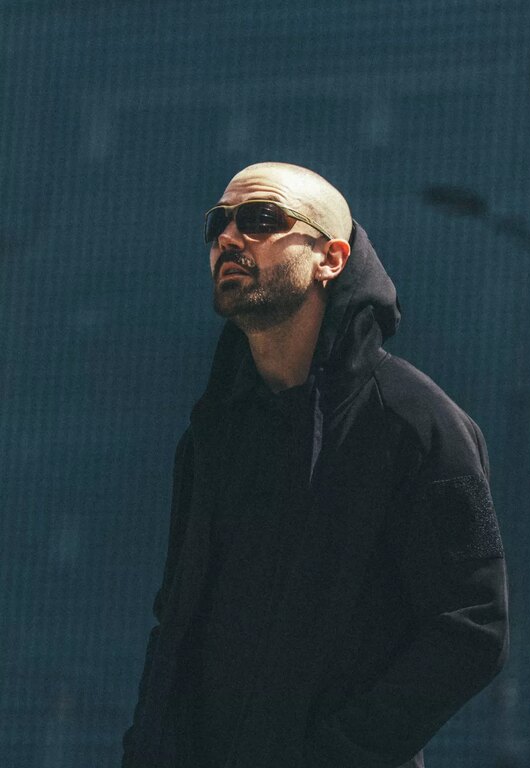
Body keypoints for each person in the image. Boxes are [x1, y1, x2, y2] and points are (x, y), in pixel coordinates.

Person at [122, 162, 509, 768]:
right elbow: (175, 620)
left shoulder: (417, 424)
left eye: (260, 219)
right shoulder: (212, 434)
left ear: (331, 258)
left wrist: (339, 754)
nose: (229, 237)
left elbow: (472, 626)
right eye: (218, 223)